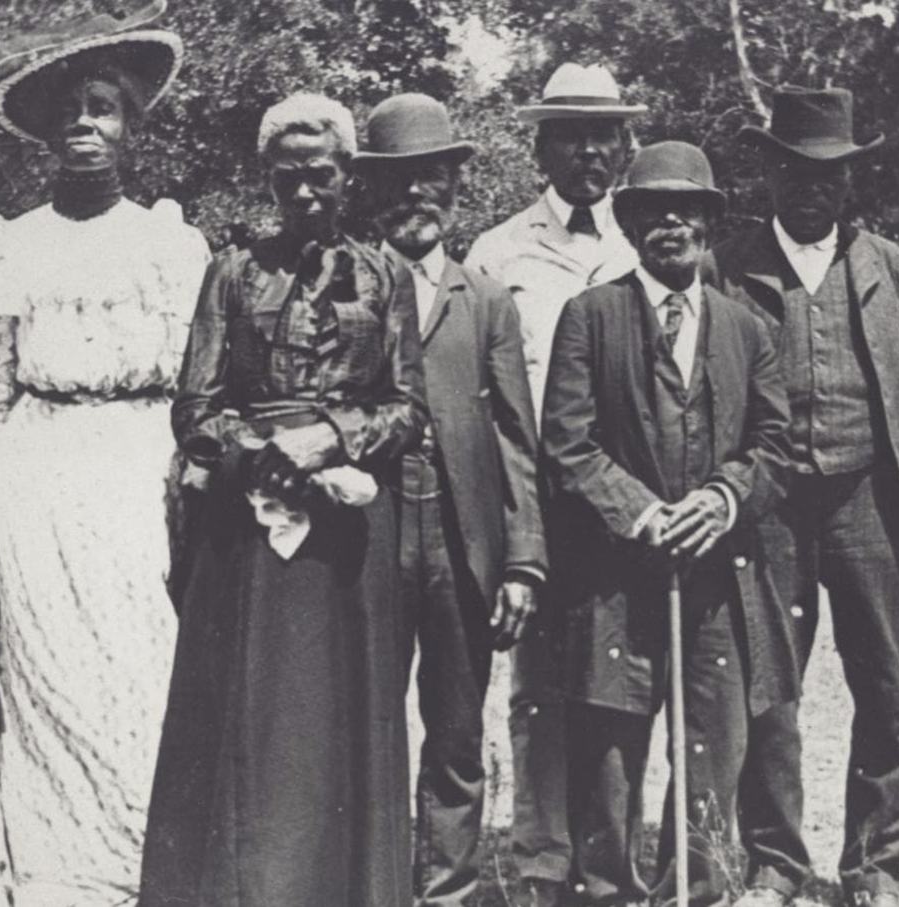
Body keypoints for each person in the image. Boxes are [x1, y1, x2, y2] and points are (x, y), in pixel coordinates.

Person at [0, 5, 210, 904]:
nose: (85, 126)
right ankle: (54, 884)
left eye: (103, 108)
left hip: (137, 481)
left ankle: (135, 875)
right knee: (46, 686)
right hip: (39, 486)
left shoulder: (171, 246)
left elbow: (189, 393)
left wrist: (184, 494)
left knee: (138, 678)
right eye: (70, 113)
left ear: (132, 125)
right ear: (49, 134)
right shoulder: (10, 246)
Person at [138, 92, 428, 907]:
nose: (305, 194)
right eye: (288, 179)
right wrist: (259, 452)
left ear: (349, 178)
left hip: (346, 544)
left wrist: (333, 436)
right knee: (246, 718)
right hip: (245, 536)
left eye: (322, 177)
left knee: (338, 725)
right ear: (267, 179)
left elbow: (409, 406)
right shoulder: (232, 273)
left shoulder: (386, 276)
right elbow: (193, 406)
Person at [707, 87, 899, 907]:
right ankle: (775, 863)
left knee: (887, 691)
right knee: (767, 692)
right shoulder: (728, 266)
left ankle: (874, 870)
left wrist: (886, 474)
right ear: (769, 173)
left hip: (869, 504)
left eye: (831, 174)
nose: (813, 187)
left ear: (850, 182)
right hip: (768, 509)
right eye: (795, 170)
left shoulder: (892, 269)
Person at [542, 141, 795, 907]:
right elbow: (567, 442)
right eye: (653, 209)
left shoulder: (746, 328)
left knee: (713, 743)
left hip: (717, 578)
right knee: (610, 753)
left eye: (688, 209)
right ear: (629, 222)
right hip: (617, 577)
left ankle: (699, 890)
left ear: (711, 223)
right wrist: (643, 513)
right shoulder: (591, 316)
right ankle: (605, 892)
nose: (671, 222)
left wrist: (721, 499)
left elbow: (775, 444)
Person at [354, 93, 548, 907]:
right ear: (373, 194)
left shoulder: (487, 299)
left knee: (458, 728)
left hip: (463, 541)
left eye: (432, 180)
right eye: (400, 182)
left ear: (455, 190)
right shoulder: (344, 287)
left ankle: (448, 887)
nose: (417, 198)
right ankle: (366, 883)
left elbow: (515, 439)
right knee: (365, 724)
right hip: (365, 538)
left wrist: (523, 561)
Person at [463, 62, 644, 907]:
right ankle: (541, 859)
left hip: (624, 506)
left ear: (624, 144)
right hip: (532, 502)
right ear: (541, 143)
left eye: (604, 134)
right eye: (571, 133)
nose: (589, 151)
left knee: (616, 681)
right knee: (538, 684)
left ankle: (612, 857)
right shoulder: (497, 253)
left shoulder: (647, 243)